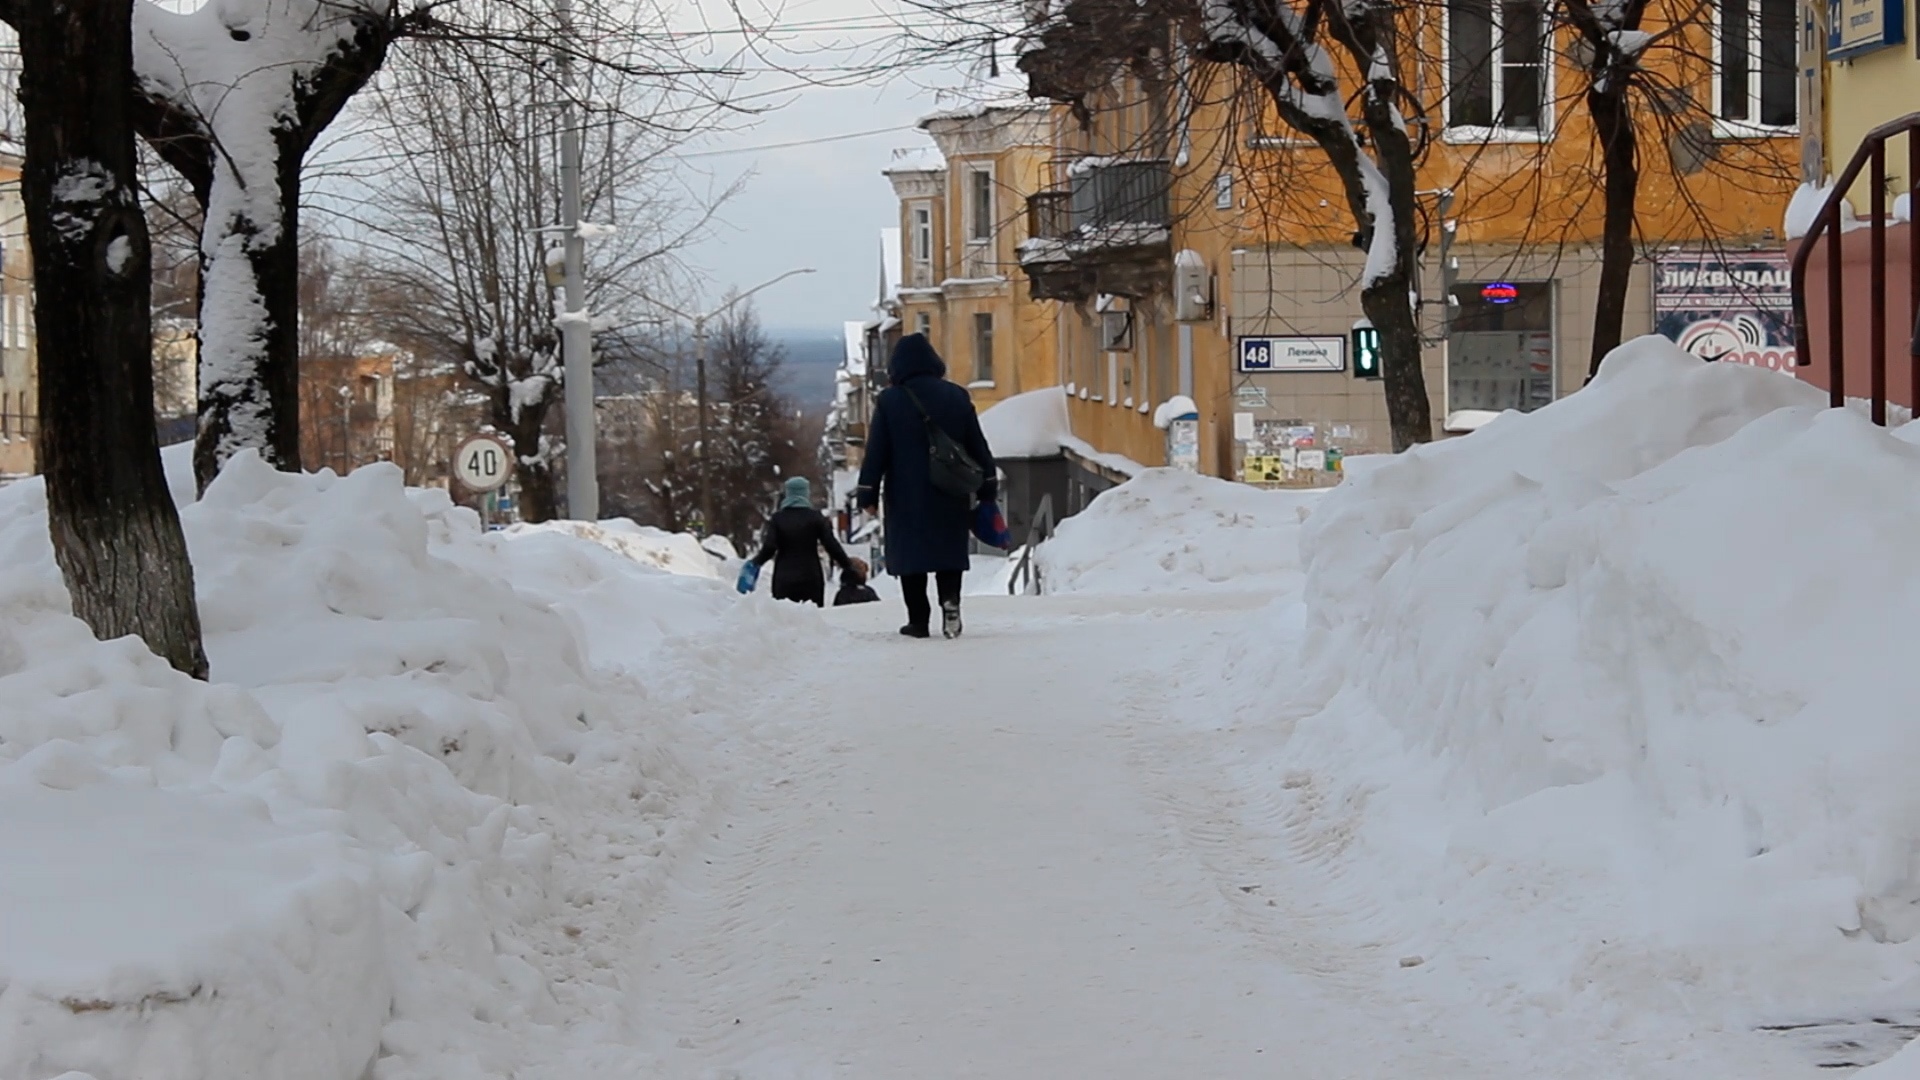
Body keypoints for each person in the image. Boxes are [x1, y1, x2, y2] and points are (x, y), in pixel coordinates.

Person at [856, 333, 998, 639]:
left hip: (906, 495)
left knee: (912, 557)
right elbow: (977, 445)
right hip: (950, 489)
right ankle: (951, 604)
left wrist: (867, 492)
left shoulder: (890, 400)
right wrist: (988, 485)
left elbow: (876, 450)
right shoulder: (957, 396)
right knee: (948, 551)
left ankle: (918, 621)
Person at [747, 476, 853, 607]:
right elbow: (831, 544)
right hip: (811, 577)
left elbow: (769, 547)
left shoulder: (778, 519)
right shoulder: (816, 518)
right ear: (805, 493)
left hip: (784, 578)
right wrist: (847, 565)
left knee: (786, 619)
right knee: (811, 619)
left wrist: (755, 563)